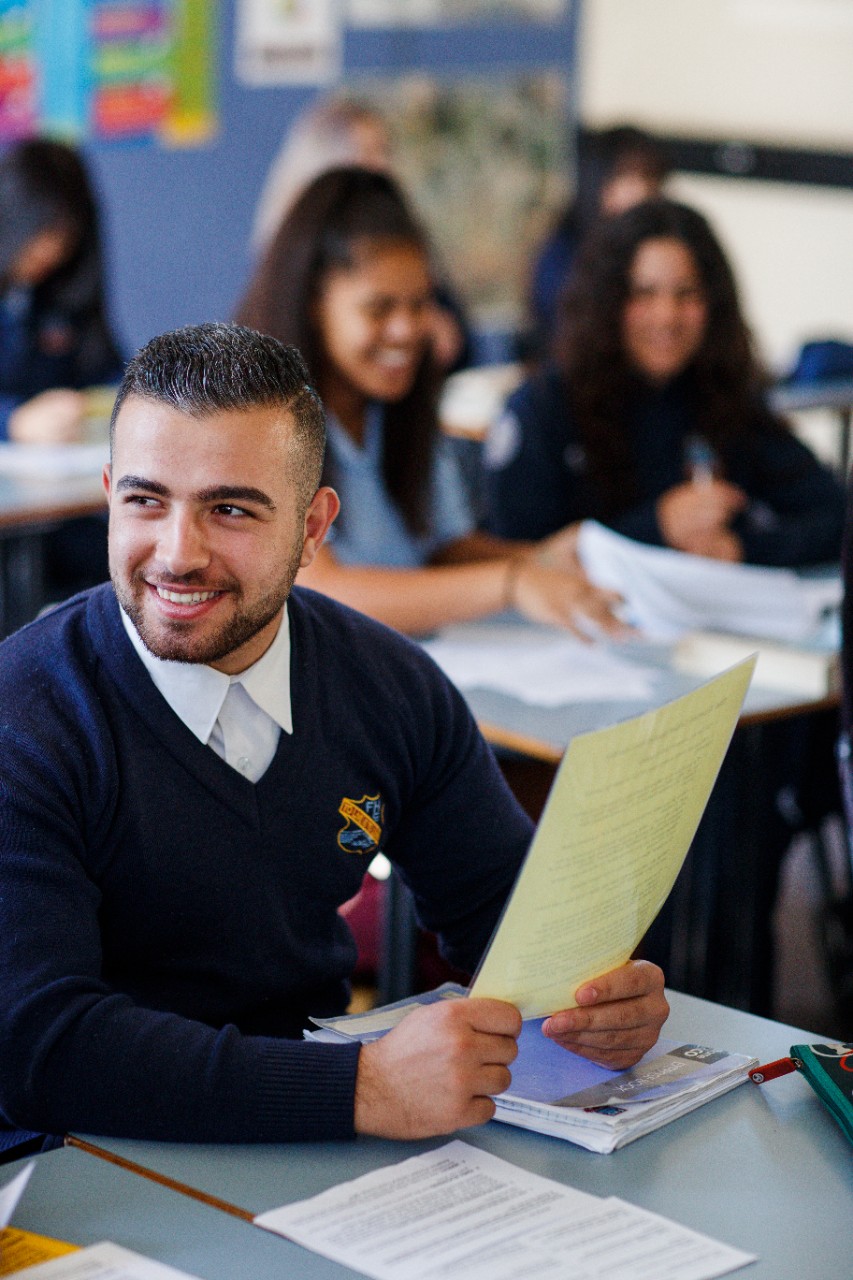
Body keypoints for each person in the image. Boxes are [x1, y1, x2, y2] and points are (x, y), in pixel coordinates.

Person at [0, 322, 668, 1159]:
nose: (177, 553)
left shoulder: (389, 683)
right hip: (74, 1161)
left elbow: (505, 917)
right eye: (144, 500)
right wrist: (367, 1087)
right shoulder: (23, 714)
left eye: (230, 509)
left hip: (303, 1147)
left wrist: (593, 996)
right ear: (108, 495)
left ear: (315, 528)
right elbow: (39, 1048)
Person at [237, 167, 622, 640]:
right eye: (379, 309)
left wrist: (537, 558)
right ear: (313, 307)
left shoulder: (398, 406)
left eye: (419, 305)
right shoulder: (263, 420)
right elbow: (322, 592)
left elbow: (438, 552)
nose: (406, 331)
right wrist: (510, 582)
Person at [486, 197, 846, 568]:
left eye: (686, 294)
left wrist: (743, 548)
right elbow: (514, 556)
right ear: (607, 301)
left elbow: (835, 515)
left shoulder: (724, 400)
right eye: (644, 294)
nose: (667, 316)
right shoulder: (544, 407)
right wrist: (656, 527)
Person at [252, 95, 470, 372]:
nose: (382, 165)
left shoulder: (400, 231)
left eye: (385, 150)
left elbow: (459, 338)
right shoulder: (291, 254)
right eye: (367, 151)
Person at [0, 137, 124, 443]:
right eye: (40, 230)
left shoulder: (66, 293)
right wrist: (12, 422)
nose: (50, 249)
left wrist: (124, 400)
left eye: (63, 233)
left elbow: (105, 372)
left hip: (58, 470)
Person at [529, 125, 670, 357]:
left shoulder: (664, 248)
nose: (642, 191)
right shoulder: (563, 254)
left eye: (650, 177)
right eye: (627, 176)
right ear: (598, 180)